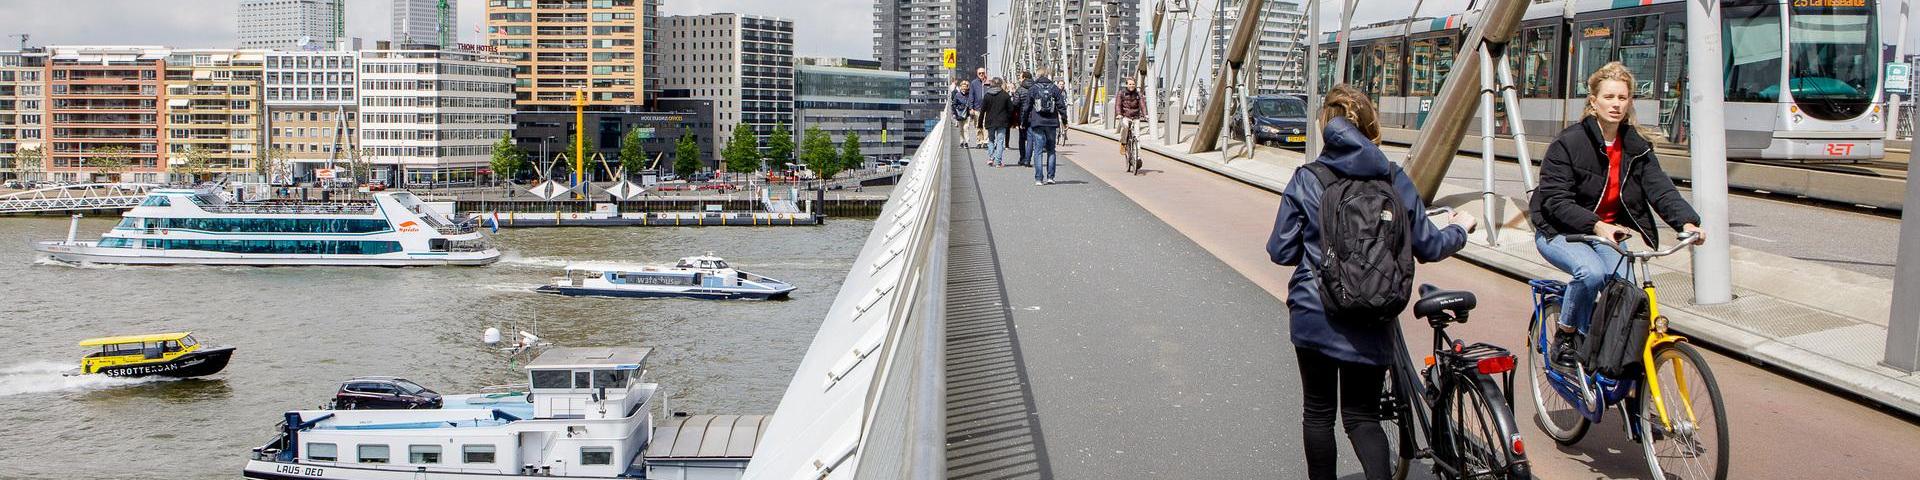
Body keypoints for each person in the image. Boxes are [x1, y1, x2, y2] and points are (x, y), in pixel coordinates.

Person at [1266, 85, 1476, 480]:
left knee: (1318, 412)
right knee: (1362, 416)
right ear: (1370, 126)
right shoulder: (1394, 177)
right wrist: (1460, 231)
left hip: (1316, 311)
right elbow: (1428, 245)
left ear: (1325, 128)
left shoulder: (1307, 178)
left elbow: (1280, 251)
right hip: (1373, 312)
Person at [1530, 62, 1703, 368]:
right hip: (1558, 230)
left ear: (1630, 102)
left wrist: (1687, 222)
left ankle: (1608, 356)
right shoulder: (1568, 143)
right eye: (1609, 97)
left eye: (1622, 98)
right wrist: (1597, 225)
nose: (1616, 104)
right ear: (1593, 102)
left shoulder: (1636, 146)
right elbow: (1555, 200)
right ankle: (1566, 336)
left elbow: (1660, 189)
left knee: (1628, 291)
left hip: (1604, 232)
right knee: (1591, 273)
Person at [1018, 68, 1067, 186]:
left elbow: (1027, 107)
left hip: (1037, 122)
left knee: (1038, 150)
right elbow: (1061, 106)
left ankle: (1039, 178)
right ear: (1047, 75)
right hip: (1051, 122)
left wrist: (1023, 122)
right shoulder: (1054, 88)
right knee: (1051, 150)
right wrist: (1065, 121)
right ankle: (1051, 177)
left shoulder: (1033, 88)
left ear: (1037, 75)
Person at [981, 77, 1017, 168]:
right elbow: (1011, 109)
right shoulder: (1005, 95)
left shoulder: (987, 95)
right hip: (1002, 121)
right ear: (1001, 84)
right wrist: (1010, 120)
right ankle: (998, 162)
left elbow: (982, 110)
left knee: (991, 140)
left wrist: (980, 123)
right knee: (1000, 141)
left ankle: (991, 157)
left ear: (992, 84)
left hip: (990, 121)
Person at [1115, 76, 1147, 174]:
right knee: (1125, 127)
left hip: (1136, 116)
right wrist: (1119, 114)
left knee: (1137, 136)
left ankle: (1137, 157)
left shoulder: (1138, 94)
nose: (1131, 86)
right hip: (1125, 116)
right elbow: (1118, 105)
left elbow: (1142, 104)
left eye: (1133, 84)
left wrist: (1145, 114)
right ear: (1126, 84)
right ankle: (1124, 144)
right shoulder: (1122, 93)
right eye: (1130, 84)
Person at [1013, 71, 1035, 167]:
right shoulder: (1035, 88)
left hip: (1022, 117)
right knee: (1031, 139)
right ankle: (1028, 159)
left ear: (1025, 78)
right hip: (1035, 117)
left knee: (1022, 139)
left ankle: (1022, 158)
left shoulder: (1020, 89)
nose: (1019, 79)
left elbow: (1015, 104)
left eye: (1020, 77)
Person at [969, 67, 990, 148]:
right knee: (978, 125)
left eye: (983, 73)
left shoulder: (988, 82)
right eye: (979, 73)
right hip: (977, 108)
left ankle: (985, 141)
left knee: (986, 125)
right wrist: (971, 108)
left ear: (985, 73)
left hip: (987, 108)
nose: (981, 74)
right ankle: (979, 141)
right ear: (977, 74)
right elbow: (971, 95)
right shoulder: (974, 83)